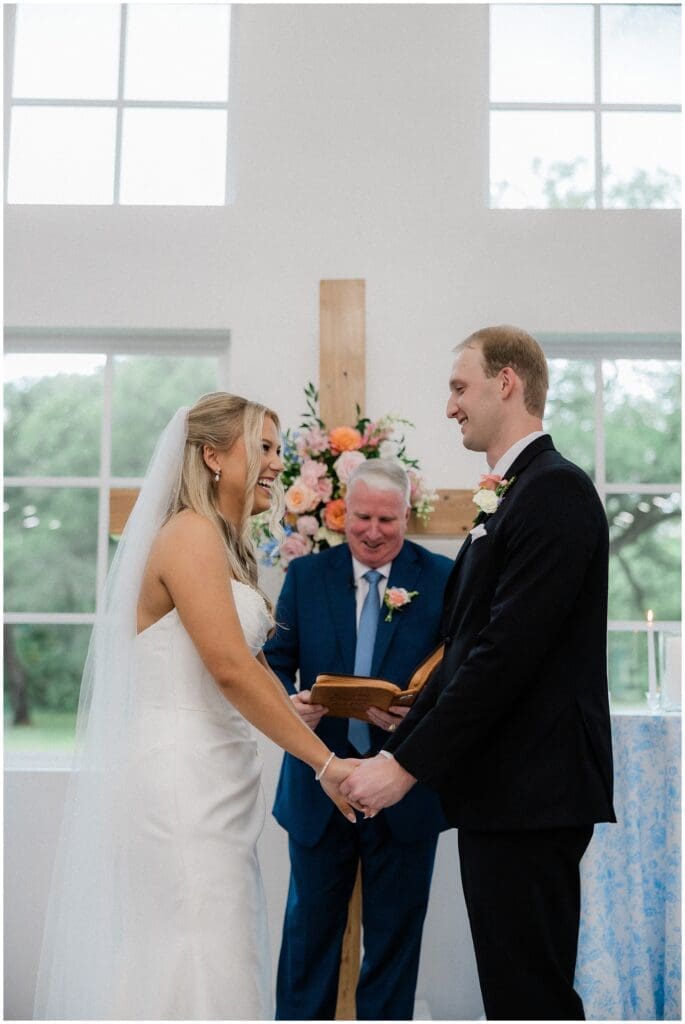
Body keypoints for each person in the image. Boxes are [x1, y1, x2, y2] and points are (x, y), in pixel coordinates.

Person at [33, 393, 358, 1021]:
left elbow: (245, 663)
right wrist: (326, 764)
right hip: (179, 777)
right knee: (196, 948)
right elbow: (230, 668)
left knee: (221, 941)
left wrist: (290, 711)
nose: (276, 463)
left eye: (280, 449)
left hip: (216, 773)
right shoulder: (188, 534)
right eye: (263, 447)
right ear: (212, 454)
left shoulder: (223, 545)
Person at [342, 326, 616, 1021]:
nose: (449, 407)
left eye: (459, 388)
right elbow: (468, 641)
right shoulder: (515, 492)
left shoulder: (553, 492)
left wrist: (403, 765)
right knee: (513, 992)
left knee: (530, 997)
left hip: (534, 791)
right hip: (503, 789)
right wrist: (416, 712)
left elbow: (506, 654)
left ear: (507, 383)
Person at [264, 459, 452, 1020]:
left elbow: (460, 678)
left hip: (406, 792)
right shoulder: (306, 577)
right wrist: (290, 705)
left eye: (387, 520)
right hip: (319, 788)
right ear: (344, 512)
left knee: (394, 948)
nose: (373, 531)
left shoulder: (443, 577)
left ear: (407, 516)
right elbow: (272, 664)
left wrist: (416, 717)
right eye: (363, 517)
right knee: (307, 942)